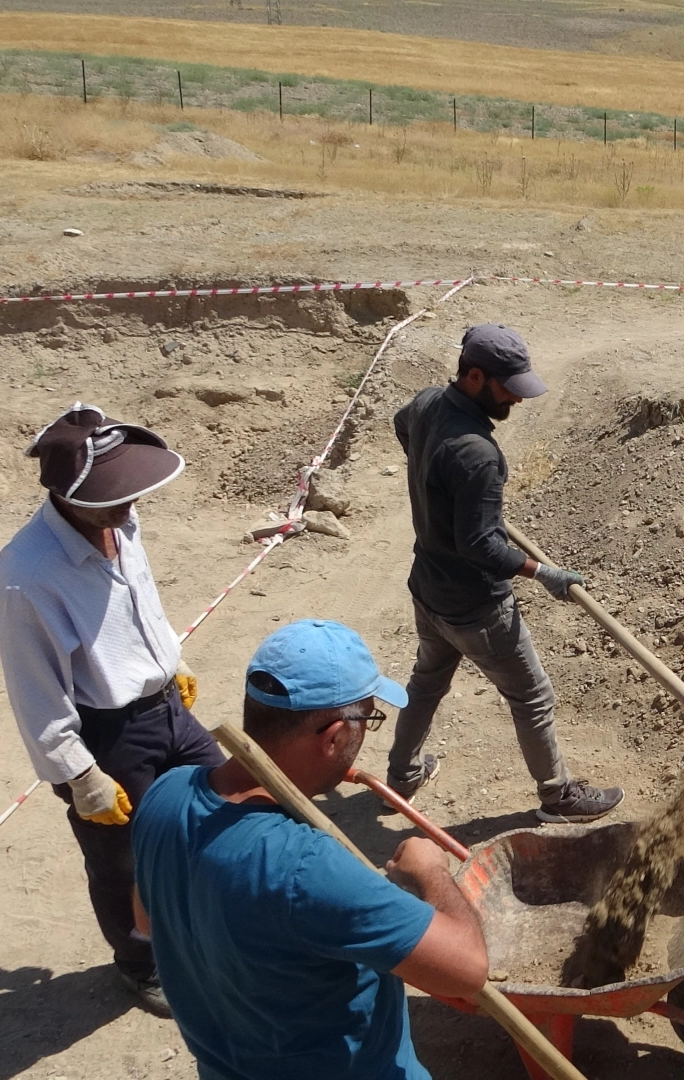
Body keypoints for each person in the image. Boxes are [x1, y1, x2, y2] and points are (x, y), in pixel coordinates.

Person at [131, 620, 489, 1079]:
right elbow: (469, 969)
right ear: (335, 735)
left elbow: (146, 919)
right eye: (368, 720)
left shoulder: (168, 793)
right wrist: (429, 871)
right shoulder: (306, 867)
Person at [0, 404, 216, 1016]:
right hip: (106, 734)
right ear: (66, 496)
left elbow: (143, 602)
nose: (130, 506)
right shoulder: (26, 576)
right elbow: (34, 688)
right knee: (123, 861)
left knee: (220, 808)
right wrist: (79, 773)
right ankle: (141, 964)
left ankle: (197, 925)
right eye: (114, 497)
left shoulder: (123, 522)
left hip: (165, 707)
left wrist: (172, 660)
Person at [388, 323, 623, 822]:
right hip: (476, 607)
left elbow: (401, 424)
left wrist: (433, 480)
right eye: (509, 388)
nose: (517, 400)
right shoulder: (478, 455)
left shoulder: (429, 402)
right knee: (533, 696)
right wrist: (542, 572)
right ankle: (559, 797)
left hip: (428, 588)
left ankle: (403, 774)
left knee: (427, 682)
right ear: (475, 376)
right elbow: (480, 546)